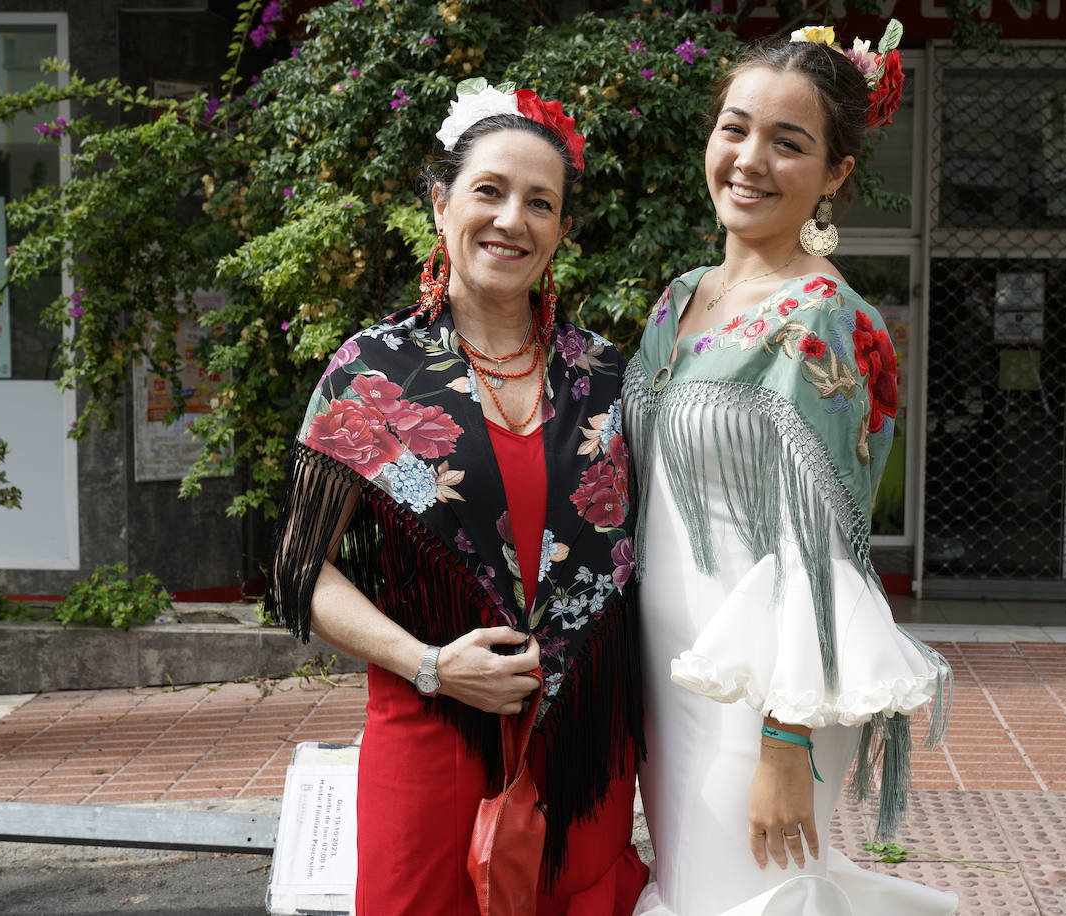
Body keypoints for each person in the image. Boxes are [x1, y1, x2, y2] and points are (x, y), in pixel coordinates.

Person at [265, 80, 646, 914]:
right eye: (489, 191)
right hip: (431, 731)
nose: (513, 219)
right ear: (441, 205)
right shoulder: (374, 371)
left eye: (540, 203)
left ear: (562, 231)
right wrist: (431, 665)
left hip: (581, 750)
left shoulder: (611, 377)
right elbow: (302, 568)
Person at [624, 25, 957, 916]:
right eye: (735, 128)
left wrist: (786, 740)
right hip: (666, 672)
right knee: (690, 887)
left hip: (763, 692)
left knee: (740, 899)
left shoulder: (834, 322)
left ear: (836, 173)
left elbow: (824, 550)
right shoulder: (679, 296)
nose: (750, 159)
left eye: (789, 142)